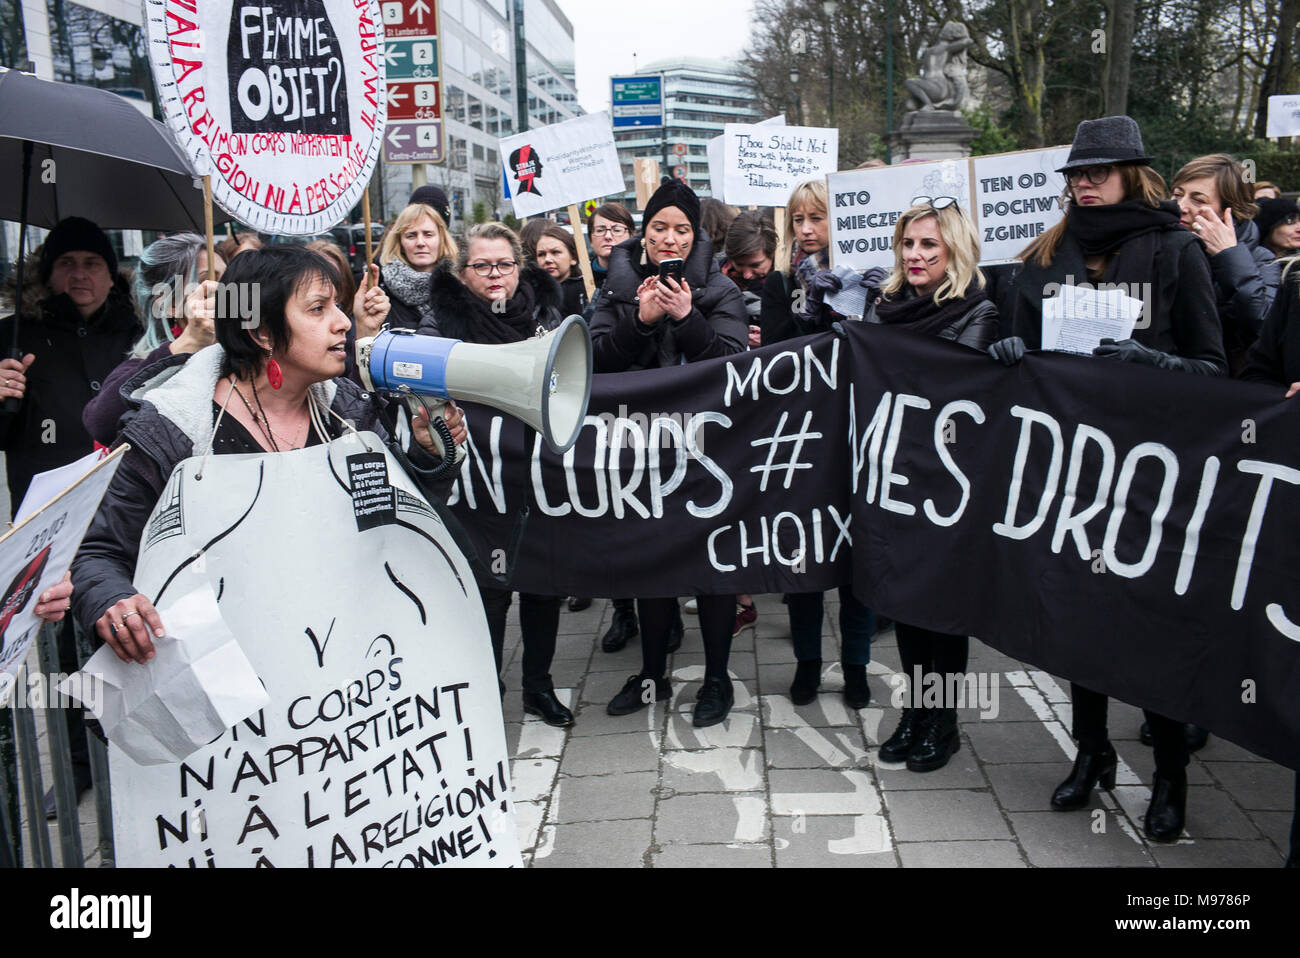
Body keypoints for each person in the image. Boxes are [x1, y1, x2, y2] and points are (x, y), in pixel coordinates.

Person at [990, 115, 1226, 842]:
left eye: (1098, 172)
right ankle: (1089, 752)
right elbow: (1022, 354)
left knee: (1150, 629)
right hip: (1070, 474)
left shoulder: (1176, 251)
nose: (1084, 183)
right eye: (1076, 175)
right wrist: (1009, 350)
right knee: (1078, 621)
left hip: (1153, 479)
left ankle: (1170, 778)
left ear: (1133, 175)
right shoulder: (1042, 257)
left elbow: (1214, 368)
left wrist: (1154, 364)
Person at [70, 245, 464, 666]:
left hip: (339, 669)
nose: (343, 323)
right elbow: (98, 553)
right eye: (317, 309)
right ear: (262, 332)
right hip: (225, 680)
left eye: (337, 306)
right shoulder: (171, 429)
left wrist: (429, 456)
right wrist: (113, 600)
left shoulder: (346, 411)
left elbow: (395, 523)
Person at [589, 178, 748, 727]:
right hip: (639, 451)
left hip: (707, 453)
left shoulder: (719, 289)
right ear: (645, 232)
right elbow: (593, 361)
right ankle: (652, 675)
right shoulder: (614, 286)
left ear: (695, 234)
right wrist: (642, 321)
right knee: (649, 564)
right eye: (660, 228)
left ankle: (716, 680)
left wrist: (687, 317)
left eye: (682, 229)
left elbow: (735, 362)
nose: (670, 239)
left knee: (712, 566)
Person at [424, 222, 574, 727]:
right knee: (488, 588)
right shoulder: (440, 325)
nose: (495, 275)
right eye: (482, 265)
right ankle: (487, 683)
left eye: (504, 265)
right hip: (478, 477)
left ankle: (539, 686)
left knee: (542, 584)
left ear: (519, 267)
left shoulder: (546, 315)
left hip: (538, 469)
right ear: (463, 272)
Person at [869, 200, 998, 769]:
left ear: (954, 251)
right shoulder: (885, 307)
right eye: (908, 244)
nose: (915, 255)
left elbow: (951, 389)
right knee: (905, 602)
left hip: (946, 484)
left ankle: (941, 724)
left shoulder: (979, 310)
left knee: (939, 609)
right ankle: (915, 713)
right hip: (894, 474)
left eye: (929, 246)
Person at [756, 182, 880, 713]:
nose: (806, 229)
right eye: (798, 219)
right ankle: (807, 664)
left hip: (859, 436)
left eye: (817, 218)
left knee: (857, 563)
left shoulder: (876, 281)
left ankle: (855, 667)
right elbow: (778, 357)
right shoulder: (783, 282)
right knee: (802, 556)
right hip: (801, 439)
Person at [82, 234, 225, 445]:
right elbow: (101, 424)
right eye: (207, 281)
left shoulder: (252, 352)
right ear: (171, 303)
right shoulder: (141, 367)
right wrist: (190, 342)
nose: (227, 290)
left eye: (229, 278)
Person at [1171, 154, 1279, 373]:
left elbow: (1262, 326)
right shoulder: (1162, 246)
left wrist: (1229, 256)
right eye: (1177, 195)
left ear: (1230, 211)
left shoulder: (1261, 259)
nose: (1181, 206)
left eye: (1198, 200)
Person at [377, 203, 457, 331]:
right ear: (400, 242)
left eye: (428, 234)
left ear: (441, 239)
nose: (420, 243)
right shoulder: (379, 294)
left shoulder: (461, 287)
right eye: (411, 235)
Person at [532, 223, 589, 319]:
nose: (547, 259)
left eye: (555, 252)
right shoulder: (529, 294)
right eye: (541, 254)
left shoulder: (588, 291)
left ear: (573, 258)